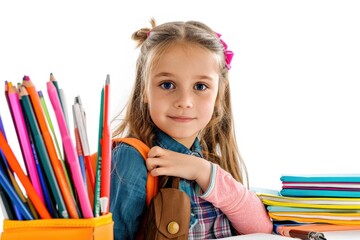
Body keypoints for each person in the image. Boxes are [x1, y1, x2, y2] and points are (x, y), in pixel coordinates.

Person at [110, 18, 273, 239]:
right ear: (145, 90)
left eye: (200, 86)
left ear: (219, 94)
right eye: (167, 85)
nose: (185, 101)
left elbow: (260, 228)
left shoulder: (210, 164)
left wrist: (202, 171)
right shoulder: (132, 159)